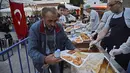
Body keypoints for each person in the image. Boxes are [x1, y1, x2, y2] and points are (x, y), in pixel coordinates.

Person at [28, 7, 77, 73]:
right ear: (43, 18)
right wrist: (44, 59)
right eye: (50, 21)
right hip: (42, 60)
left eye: (55, 20)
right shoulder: (35, 28)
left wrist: (73, 49)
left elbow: (65, 40)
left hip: (55, 56)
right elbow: (31, 50)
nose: (53, 24)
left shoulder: (59, 26)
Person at [90, 0, 130, 70]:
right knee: (110, 67)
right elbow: (104, 31)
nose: (109, 8)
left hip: (125, 47)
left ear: (119, 3)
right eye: (108, 6)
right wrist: (96, 40)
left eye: (111, 5)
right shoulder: (111, 15)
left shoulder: (128, 12)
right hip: (113, 47)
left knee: (121, 68)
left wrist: (122, 49)